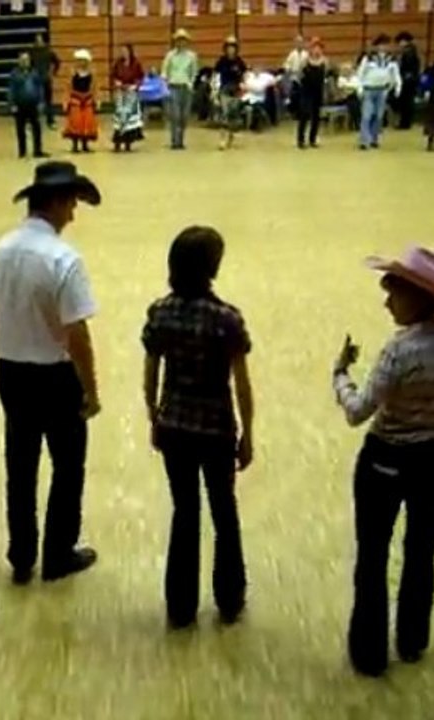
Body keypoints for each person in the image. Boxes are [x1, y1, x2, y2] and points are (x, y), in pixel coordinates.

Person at [0, 161, 102, 585]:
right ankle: (58, 553)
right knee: (68, 467)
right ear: (54, 202)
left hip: (10, 371)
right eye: (71, 202)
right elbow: (77, 334)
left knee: (20, 463)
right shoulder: (64, 259)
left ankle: (21, 554)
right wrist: (91, 389)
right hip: (55, 376)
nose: (73, 212)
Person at [332, 246, 434, 677]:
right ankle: (412, 642)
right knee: (421, 551)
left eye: (394, 291)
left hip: (384, 461)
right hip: (433, 460)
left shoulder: (399, 351)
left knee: (373, 557)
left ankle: (370, 654)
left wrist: (340, 375)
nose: (387, 300)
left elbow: (358, 410)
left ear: (419, 298)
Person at [142, 226, 253, 630]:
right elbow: (240, 382)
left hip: (175, 426)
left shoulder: (161, 311)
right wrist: (248, 433)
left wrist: (153, 414)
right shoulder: (226, 319)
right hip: (216, 428)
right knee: (224, 511)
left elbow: (151, 369)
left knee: (184, 511)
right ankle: (229, 595)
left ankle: (180, 604)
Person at [357, 35, 401, 150]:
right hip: (369, 89)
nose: (383, 47)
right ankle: (364, 141)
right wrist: (359, 88)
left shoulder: (391, 59)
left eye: (385, 45)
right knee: (366, 115)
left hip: (382, 89)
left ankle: (374, 139)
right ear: (376, 46)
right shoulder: (368, 58)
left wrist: (397, 86)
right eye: (380, 45)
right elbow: (360, 73)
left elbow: (395, 74)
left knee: (378, 116)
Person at [161, 29, 199, 150]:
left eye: (183, 40)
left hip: (186, 88)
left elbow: (194, 72)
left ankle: (181, 139)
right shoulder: (170, 56)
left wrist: (191, 83)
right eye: (178, 40)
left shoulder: (192, 56)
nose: (181, 43)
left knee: (184, 116)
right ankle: (175, 141)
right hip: (173, 87)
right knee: (175, 115)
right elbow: (164, 71)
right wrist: (165, 85)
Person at [8, 52, 47, 159]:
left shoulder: (34, 73)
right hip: (20, 105)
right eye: (23, 59)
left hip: (33, 104)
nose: (25, 62)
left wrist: (41, 102)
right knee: (20, 129)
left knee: (37, 128)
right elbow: (11, 90)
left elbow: (40, 88)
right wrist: (12, 104)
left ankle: (37, 150)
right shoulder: (14, 74)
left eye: (27, 59)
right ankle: (22, 151)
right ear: (19, 61)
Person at [214, 37, 247, 151]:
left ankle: (230, 138)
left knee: (233, 115)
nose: (230, 50)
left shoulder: (239, 61)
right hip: (224, 90)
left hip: (236, 90)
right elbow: (216, 75)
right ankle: (222, 139)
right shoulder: (221, 61)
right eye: (228, 47)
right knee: (224, 114)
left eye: (233, 47)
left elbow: (244, 75)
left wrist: (243, 87)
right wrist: (215, 90)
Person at [111, 43, 145, 152]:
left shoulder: (136, 64)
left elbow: (140, 77)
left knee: (129, 117)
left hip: (131, 92)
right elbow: (113, 75)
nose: (123, 53)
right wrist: (117, 82)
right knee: (119, 116)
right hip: (120, 92)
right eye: (122, 51)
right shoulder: (118, 63)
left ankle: (128, 142)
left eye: (125, 51)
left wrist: (135, 85)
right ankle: (117, 142)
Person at [63, 49, 98, 153]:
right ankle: (75, 145)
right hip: (75, 100)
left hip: (87, 100)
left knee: (87, 123)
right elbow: (68, 87)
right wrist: (66, 101)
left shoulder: (92, 73)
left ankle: (85, 145)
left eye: (83, 60)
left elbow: (94, 87)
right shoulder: (72, 73)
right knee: (75, 123)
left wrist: (95, 99)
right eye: (79, 60)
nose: (80, 62)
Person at [297, 39, 327, 149]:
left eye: (319, 48)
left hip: (318, 91)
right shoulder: (305, 61)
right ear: (311, 49)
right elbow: (299, 75)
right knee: (304, 115)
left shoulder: (324, 61)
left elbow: (326, 76)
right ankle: (301, 140)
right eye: (315, 47)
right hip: (306, 91)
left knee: (316, 116)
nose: (317, 50)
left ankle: (312, 139)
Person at [32, 33, 60, 129]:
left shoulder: (48, 51)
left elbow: (57, 62)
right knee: (34, 101)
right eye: (37, 40)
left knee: (48, 101)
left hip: (46, 79)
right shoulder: (32, 52)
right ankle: (33, 121)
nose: (38, 42)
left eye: (40, 40)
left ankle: (50, 121)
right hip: (35, 80)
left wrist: (54, 73)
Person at [395, 32, 421, 130]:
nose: (399, 45)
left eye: (400, 42)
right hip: (411, 80)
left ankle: (405, 123)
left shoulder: (408, 52)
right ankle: (406, 122)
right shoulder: (413, 51)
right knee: (407, 102)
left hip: (408, 81)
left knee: (406, 102)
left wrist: (404, 77)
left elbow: (408, 68)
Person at [283, 35, 309, 118]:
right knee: (295, 96)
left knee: (304, 96)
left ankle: (304, 112)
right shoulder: (292, 54)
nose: (299, 44)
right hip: (294, 77)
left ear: (303, 43)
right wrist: (289, 70)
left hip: (304, 78)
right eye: (297, 42)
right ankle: (295, 113)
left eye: (301, 42)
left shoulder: (306, 54)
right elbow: (286, 65)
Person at [424, 61, 434, 151]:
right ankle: (430, 141)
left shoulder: (433, 67)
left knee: (432, 120)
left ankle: (430, 142)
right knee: (433, 120)